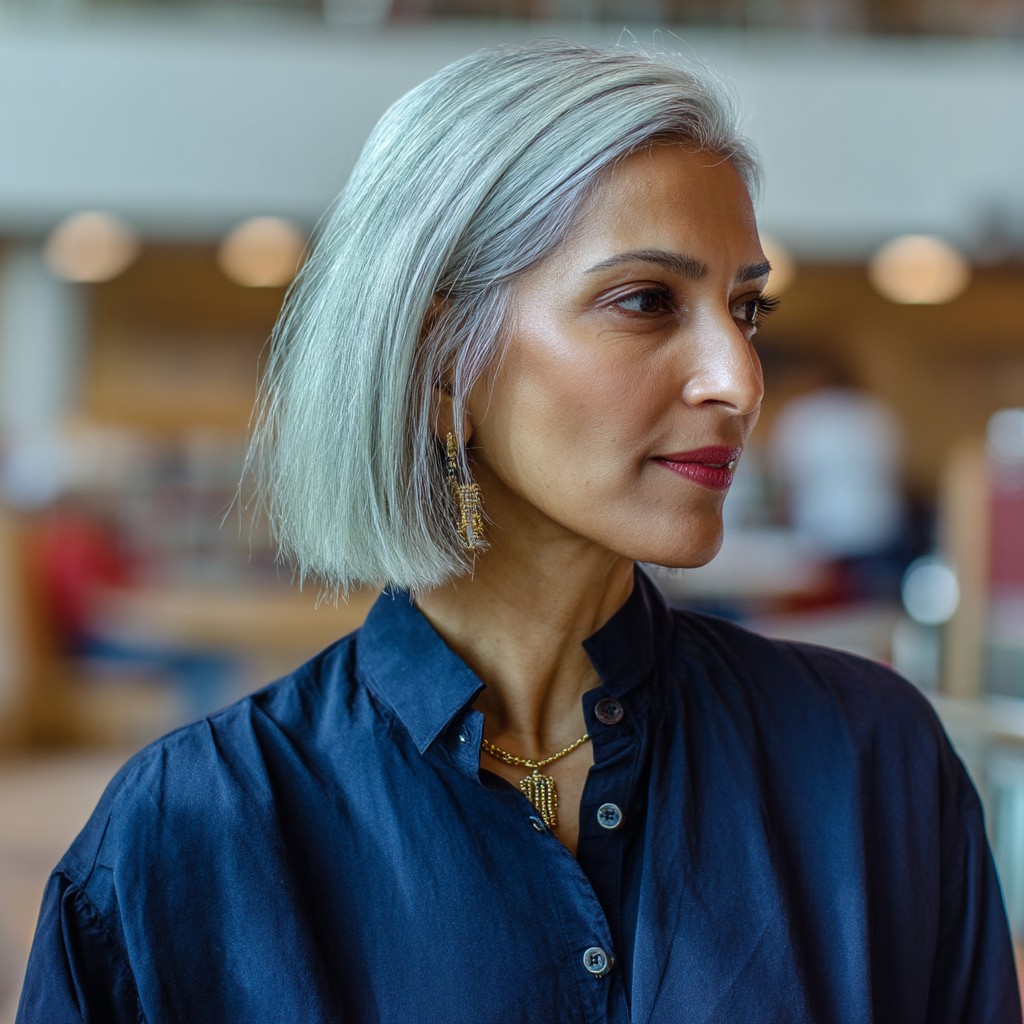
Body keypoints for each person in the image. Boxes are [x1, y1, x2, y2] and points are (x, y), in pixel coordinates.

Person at [16, 40, 1020, 1023]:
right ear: (442, 354)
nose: (740, 379)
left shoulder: (866, 760)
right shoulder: (191, 832)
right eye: (645, 301)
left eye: (744, 308)